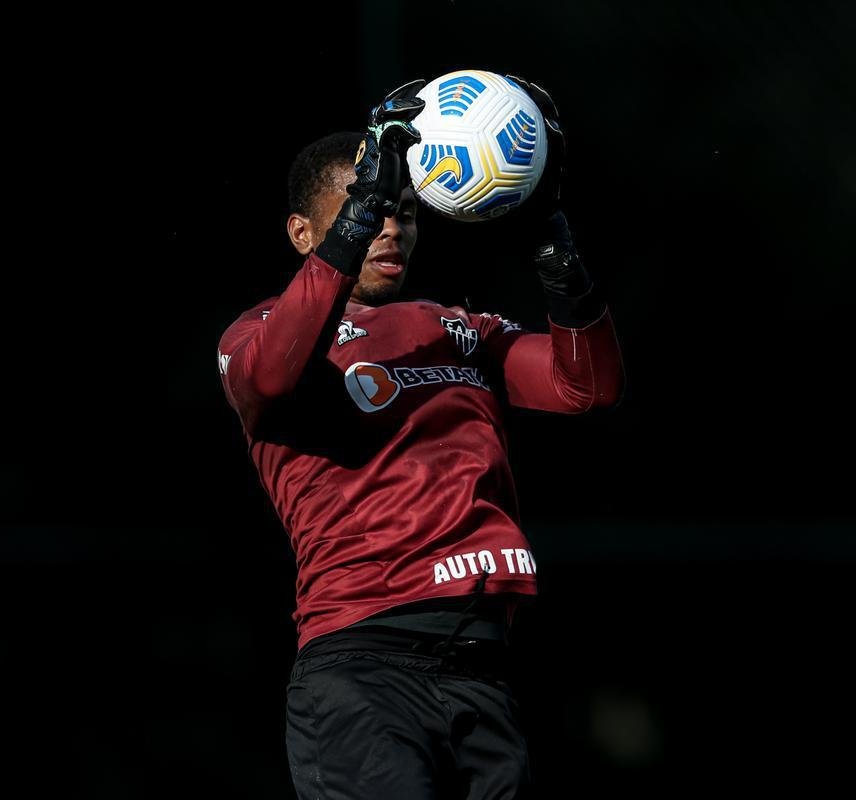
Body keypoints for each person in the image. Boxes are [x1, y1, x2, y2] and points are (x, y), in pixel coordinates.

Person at [217, 77, 624, 799]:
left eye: (403, 211)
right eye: (362, 209)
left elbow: (584, 387)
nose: (389, 227)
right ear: (302, 234)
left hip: (480, 670)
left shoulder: (459, 328)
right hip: (362, 668)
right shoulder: (258, 333)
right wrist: (362, 211)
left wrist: (556, 249)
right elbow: (272, 380)